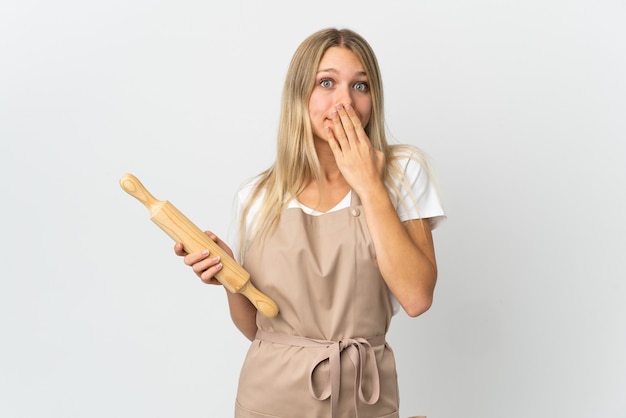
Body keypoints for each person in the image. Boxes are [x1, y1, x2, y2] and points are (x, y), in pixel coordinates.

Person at [174, 27, 446, 418]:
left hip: (362, 397)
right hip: (268, 397)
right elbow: (260, 329)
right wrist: (229, 276)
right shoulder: (258, 195)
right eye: (326, 82)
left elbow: (417, 297)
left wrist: (369, 184)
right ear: (299, 95)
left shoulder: (402, 174)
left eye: (361, 86)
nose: (345, 101)